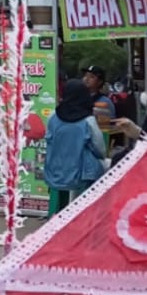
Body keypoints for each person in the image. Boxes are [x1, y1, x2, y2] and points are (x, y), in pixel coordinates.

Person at [45, 78, 108, 209]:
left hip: (54, 173)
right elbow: (100, 150)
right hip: (80, 176)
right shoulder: (88, 121)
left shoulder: (52, 117)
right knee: (108, 164)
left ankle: (58, 209)